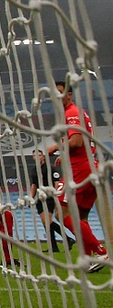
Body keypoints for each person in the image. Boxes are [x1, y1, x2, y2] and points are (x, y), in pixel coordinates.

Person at [47, 80, 109, 272]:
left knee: (61, 212)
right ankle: (87, 258)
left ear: (69, 95)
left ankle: (101, 252)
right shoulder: (77, 113)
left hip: (80, 170)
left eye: (59, 92)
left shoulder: (71, 113)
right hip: (90, 168)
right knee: (81, 216)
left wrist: (56, 147)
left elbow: (76, 141)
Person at [28, 149, 75, 252]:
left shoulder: (50, 168)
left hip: (49, 197)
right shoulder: (34, 170)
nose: (37, 157)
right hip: (40, 198)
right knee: (46, 223)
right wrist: (31, 197)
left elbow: (57, 183)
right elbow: (34, 185)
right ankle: (54, 247)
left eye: (39, 155)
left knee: (47, 221)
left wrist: (56, 196)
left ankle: (68, 239)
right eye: (35, 156)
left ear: (43, 157)